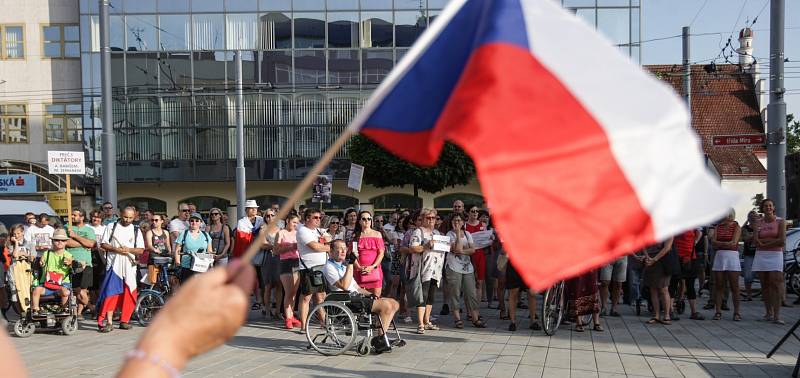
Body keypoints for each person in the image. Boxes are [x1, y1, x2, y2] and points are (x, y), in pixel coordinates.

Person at [324, 240, 399, 353]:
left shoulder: (342, 266)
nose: (343, 251)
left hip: (355, 296)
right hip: (345, 300)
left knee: (394, 303)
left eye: (345, 248)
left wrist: (371, 295)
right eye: (339, 248)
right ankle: (380, 339)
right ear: (331, 251)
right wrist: (350, 263)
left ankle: (381, 337)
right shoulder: (329, 267)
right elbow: (344, 285)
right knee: (386, 306)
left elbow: (357, 287)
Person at [98, 207, 144, 332]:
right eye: (125, 217)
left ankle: (125, 320)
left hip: (129, 266)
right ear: (121, 214)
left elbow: (141, 249)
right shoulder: (111, 227)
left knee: (128, 293)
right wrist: (116, 250)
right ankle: (109, 322)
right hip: (114, 265)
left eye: (130, 218)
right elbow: (103, 244)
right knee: (111, 293)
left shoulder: (136, 230)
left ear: (134, 217)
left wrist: (128, 250)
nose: (127, 220)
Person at [408, 208, 445, 334]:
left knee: (431, 296)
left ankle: (427, 320)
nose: (431, 220)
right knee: (422, 296)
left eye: (433, 218)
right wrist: (425, 246)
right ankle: (420, 323)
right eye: (428, 218)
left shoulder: (437, 233)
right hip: (423, 269)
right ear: (423, 219)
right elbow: (412, 248)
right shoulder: (418, 232)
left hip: (436, 270)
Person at [444, 213, 486, 328]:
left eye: (459, 220)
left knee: (471, 293)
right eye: (454, 220)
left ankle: (475, 318)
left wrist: (462, 251)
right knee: (455, 293)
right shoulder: (449, 234)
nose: (456, 223)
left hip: (467, 267)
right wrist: (457, 234)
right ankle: (457, 318)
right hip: (453, 267)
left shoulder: (467, 234)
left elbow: (473, 250)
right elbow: (456, 248)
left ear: (463, 222)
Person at [753, 198, 787, 324]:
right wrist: (771, 242)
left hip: (775, 255)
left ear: (773, 208)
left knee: (775, 284)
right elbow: (756, 240)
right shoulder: (758, 222)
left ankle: (777, 315)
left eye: (770, 206)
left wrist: (765, 243)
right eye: (766, 206)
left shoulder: (780, 221)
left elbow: (782, 240)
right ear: (762, 208)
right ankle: (768, 312)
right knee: (765, 285)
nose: (768, 208)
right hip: (761, 255)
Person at [296, 208, 331, 332]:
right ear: (307, 219)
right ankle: (303, 326)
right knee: (306, 297)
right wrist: (328, 247)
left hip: (322, 267)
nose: (318, 220)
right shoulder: (302, 231)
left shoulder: (318, 230)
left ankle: (324, 323)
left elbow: (330, 239)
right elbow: (315, 247)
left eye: (319, 217)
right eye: (315, 217)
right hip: (309, 268)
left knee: (321, 297)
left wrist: (327, 244)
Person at [30, 229, 73, 315]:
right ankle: (35, 310)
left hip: (62, 284)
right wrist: (41, 262)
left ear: (66, 242)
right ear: (52, 241)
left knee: (65, 292)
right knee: (36, 290)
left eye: (63, 240)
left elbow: (72, 265)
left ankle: (64, 310)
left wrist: (70, 263)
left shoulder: (68, 255)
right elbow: (41, 262)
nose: (59, 242)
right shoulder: (47, 253)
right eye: (57, 240)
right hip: (47, 284)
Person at [710, 210, 742, 321]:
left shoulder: (736, 226)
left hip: (732, 256)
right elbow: (713, 242)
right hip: (720, 256)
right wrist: (725, 244)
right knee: (719, 285)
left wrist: (720, 244)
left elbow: (734, 242)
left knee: (734, 286)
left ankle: (737, 312)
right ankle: (718, 311)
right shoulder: (718, 227)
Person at [65, 208, 96, 320]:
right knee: (75, 289)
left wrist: (76, 237)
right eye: (72, 215)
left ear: (82, 217)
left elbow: (92, 244)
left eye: (75, 215)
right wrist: (84, 244)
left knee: (83, 290)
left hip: (85, 263)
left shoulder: (89, 230)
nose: (72, 217)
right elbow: (67, 242)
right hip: (70, 262)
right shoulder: (67, 227)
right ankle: (92, 308)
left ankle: (79, 313)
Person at [641, 237, 675, 325]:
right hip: (650, 260)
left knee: (663, 289)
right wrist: (647, 256)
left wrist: (654, 259)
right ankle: (656, 315)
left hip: (662, 261)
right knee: (653, 289)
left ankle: (667, 315)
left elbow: (667, 247)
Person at [352, 211, 385, 297]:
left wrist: (373, 266)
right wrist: (359, 267)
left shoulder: (377, 234)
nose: (367, 221)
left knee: (376, 296)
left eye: (369, 219)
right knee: (360, 297)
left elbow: (381, 253)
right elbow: (353, 254)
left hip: (374, 270)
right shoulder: (356, 235)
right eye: (364, 219)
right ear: (359, 221)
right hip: (359, 271)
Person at [276, 214, 301, 328]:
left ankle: (291, 316)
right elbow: (276, 250)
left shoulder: (298, 233)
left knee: (294, 292)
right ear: (287, 221)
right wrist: (291, 246)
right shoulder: (281, 233)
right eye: (293, 222)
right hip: (285, 262)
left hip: (297, 262)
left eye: (297, 223)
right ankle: (288, 317)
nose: (295, 224)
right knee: (289, 291)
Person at [673, 228, 704, 320]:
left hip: (689, 258)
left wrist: (695, 241)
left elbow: (700, 232)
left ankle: (693, 312)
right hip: (678, 257)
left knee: (690, 285)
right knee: (673, 284)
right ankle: (670, 311)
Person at [175, 213, 214, 284]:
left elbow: (210, 251)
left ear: (201, 222)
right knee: (186, 291)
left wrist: (210, 264)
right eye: (192, 220)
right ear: (189, 222)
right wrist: (178, 263)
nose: (194, 222)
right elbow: (177, 250)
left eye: (197, 221)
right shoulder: (184, 234)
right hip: (187, 266)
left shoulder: (206, 235)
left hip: (202, 267)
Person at [258, 209, 282, 319]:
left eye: (272, 215)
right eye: (267, 216)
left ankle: (277, 311)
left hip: (279, 258)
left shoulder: (280, 229)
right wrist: (274, 246)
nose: (269, 218)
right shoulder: (263, 229)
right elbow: (262, 244)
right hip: (267, 259)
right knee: (267, 285)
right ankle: (267, 310)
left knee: (279, 285)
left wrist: (273, 246)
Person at [465, 205, 487, 303]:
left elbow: (486, 241)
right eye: (472, 211)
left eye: (476, 211)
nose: (475, 213)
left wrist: (490, 239)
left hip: (480, 255)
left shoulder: (483, 225)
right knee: (468, 284)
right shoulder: (464, 225)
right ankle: (470, 311)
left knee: (479, 282)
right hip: (468, 255)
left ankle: (476, 309)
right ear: (468, 212)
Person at [741, 210, 760, 302]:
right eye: (751, 217)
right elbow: (745, 238)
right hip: (749, 254)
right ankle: (749, 295)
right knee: (748, 275)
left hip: (760, 254)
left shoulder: (762, 227)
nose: (753, 218)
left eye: (755, 216)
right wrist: (755, 235)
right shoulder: (745, 228)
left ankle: (764, 295)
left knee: (762, 275)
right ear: (748, 218)